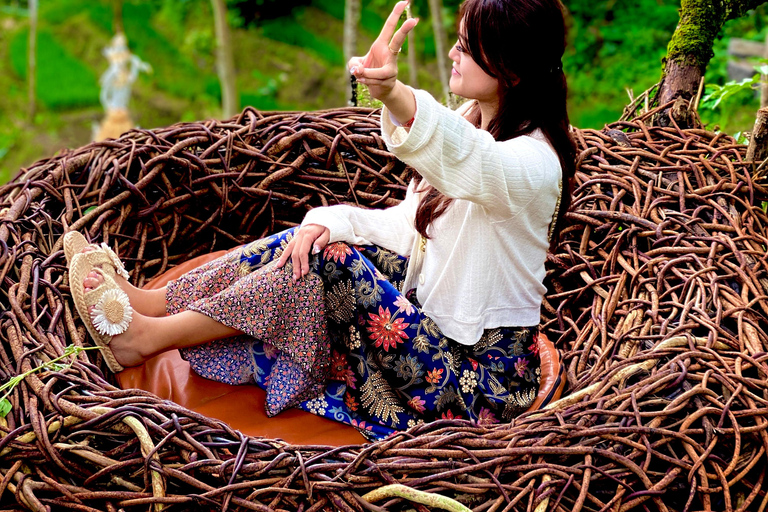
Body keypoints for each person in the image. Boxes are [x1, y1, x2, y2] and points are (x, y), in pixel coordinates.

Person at [65, 0, 576, 441]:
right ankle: (153, 304)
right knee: (314, 242)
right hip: (432, 329)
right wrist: (329, 222)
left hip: (476, 381)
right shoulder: (474, 120)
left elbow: (472, 162)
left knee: (332, 265)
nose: (452, 53)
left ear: (511, 71)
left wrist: (394, 93)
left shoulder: (535, 164)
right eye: (458, 40)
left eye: (467, 46)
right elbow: (410, 229)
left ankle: (148, 338)